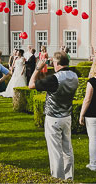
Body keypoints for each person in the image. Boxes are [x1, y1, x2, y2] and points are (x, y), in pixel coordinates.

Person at [29, 51, 79, 180]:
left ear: (56, 63)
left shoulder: (54, 78)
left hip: (53, 118)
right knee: (67, 150)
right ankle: (69, 178)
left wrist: (37, 69)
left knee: (55, 152)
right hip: (67, 116)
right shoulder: (75, 76)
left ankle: (57, 179)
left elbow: (31, 85)